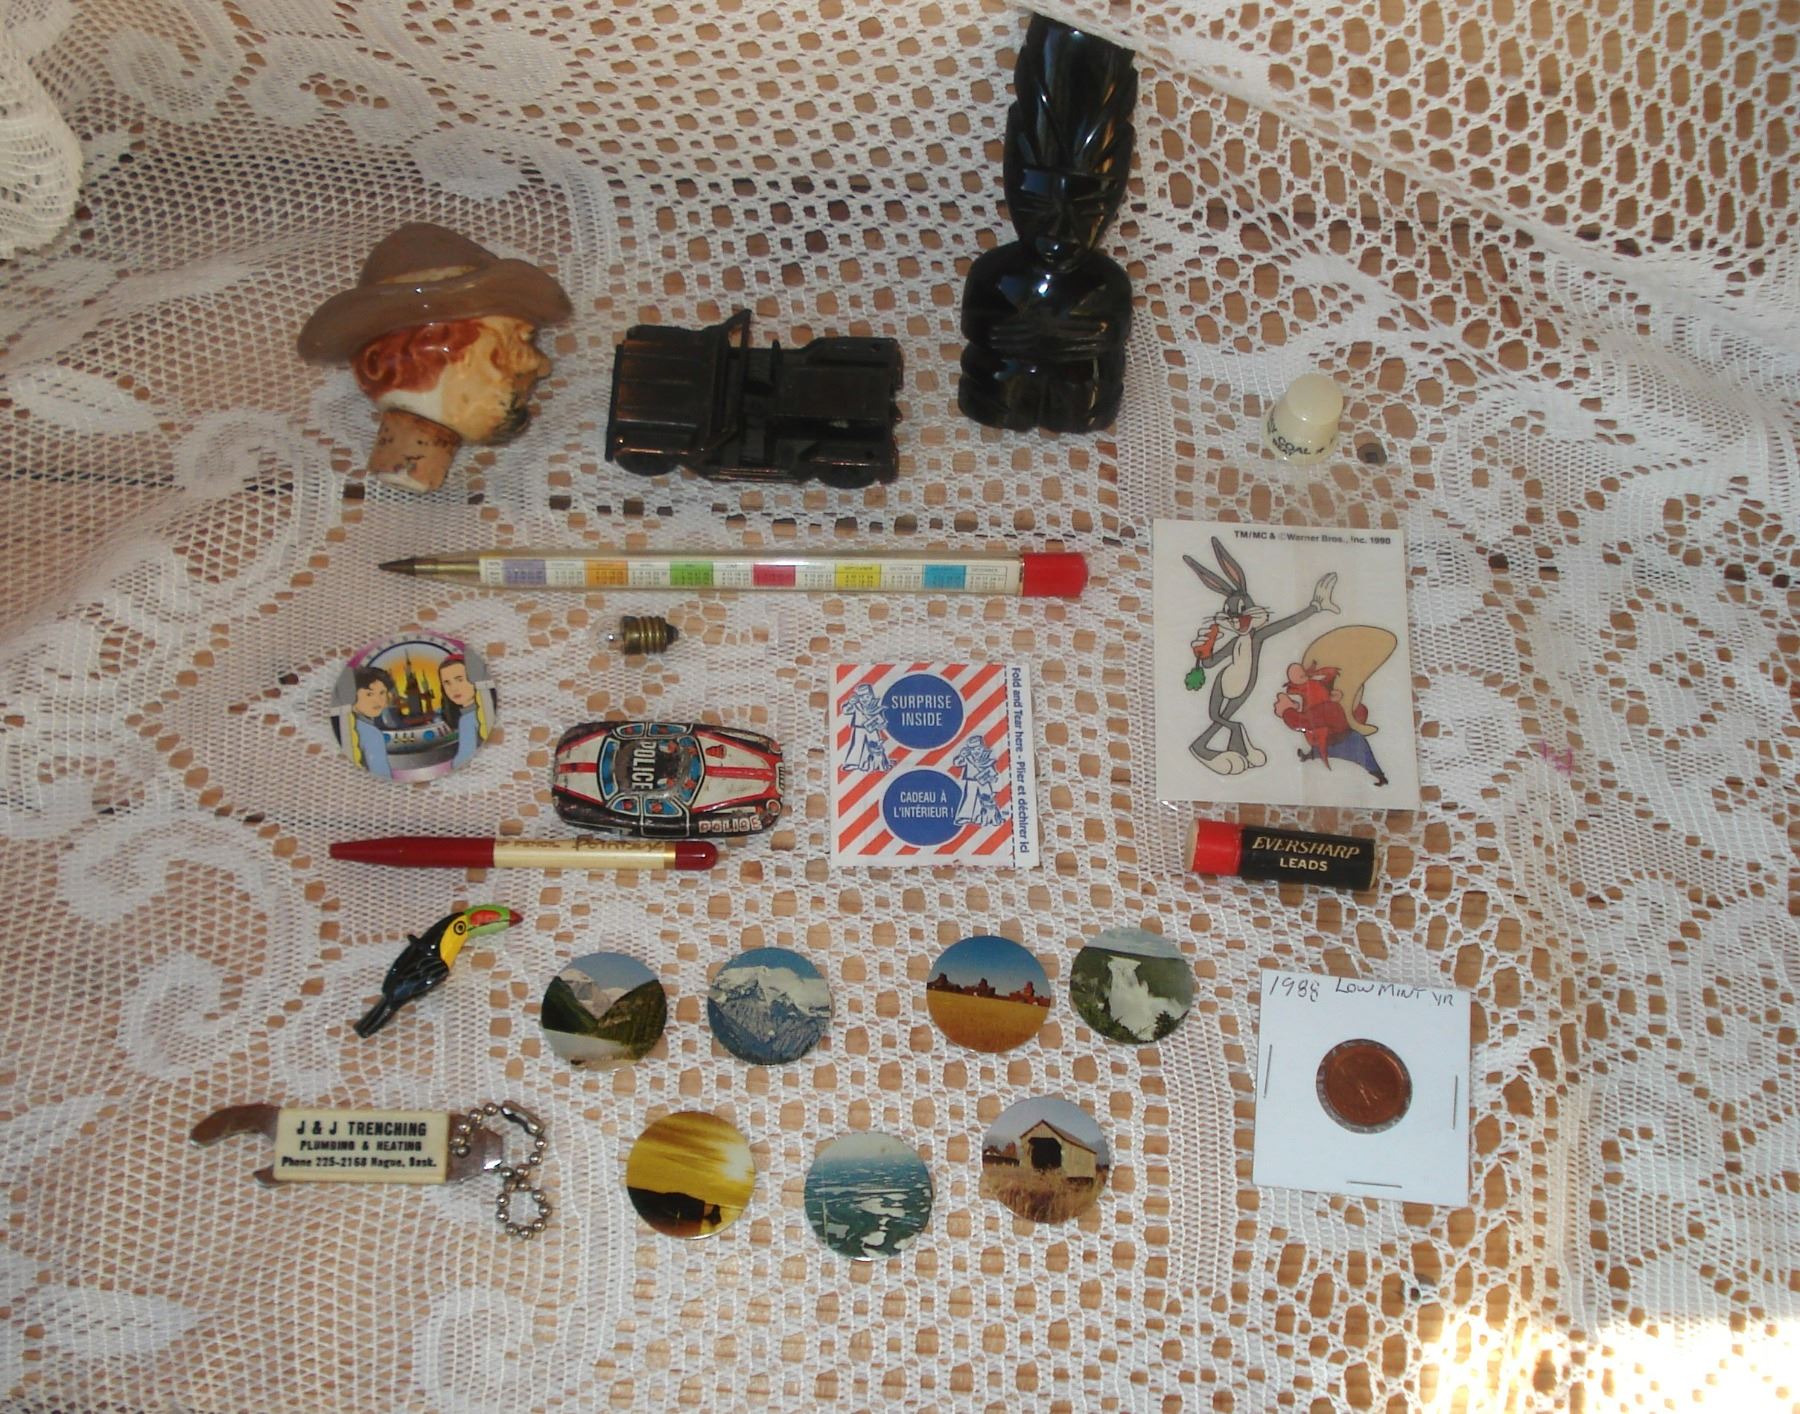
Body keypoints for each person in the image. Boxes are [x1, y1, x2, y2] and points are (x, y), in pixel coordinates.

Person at [438, 654, 488, 770]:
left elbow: (462, 761)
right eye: (447, 683)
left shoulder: (467, 720)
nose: (453, 688)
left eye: (459, 680)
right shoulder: (477, 712)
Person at [347, 666, 396, 778]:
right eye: (369, 694)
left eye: (382, 693)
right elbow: (383, 777)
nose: (378, 700)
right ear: (353, 695)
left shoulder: (351, 723)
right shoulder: (372, 734)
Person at [841, 683, 892, 773]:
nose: (864, 699)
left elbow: (881, 720)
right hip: (859, 728)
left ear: (871, 696)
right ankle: (853, 763)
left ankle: (879, 764)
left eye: (867, 696)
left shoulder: (875, 706)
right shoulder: (856, 706)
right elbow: (845, 711)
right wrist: (850, 703)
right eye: (861, 697)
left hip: (872, 729)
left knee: (876, 745)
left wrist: (881, 724)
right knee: (857, 744)